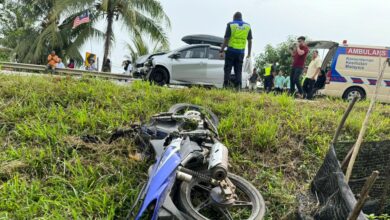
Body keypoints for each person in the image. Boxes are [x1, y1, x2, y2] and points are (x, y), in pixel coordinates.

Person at [220, 12, 252, 90]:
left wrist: (222, 50)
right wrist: (249, 54)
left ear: (234, 17)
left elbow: (226, 39)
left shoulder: (231, 24)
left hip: (231, 51)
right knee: (238, 70)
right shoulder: (247, 26)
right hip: (241, 52)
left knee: (228, 69)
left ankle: (226, 87)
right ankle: (238, 88)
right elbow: (250, 41)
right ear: (241, 17)